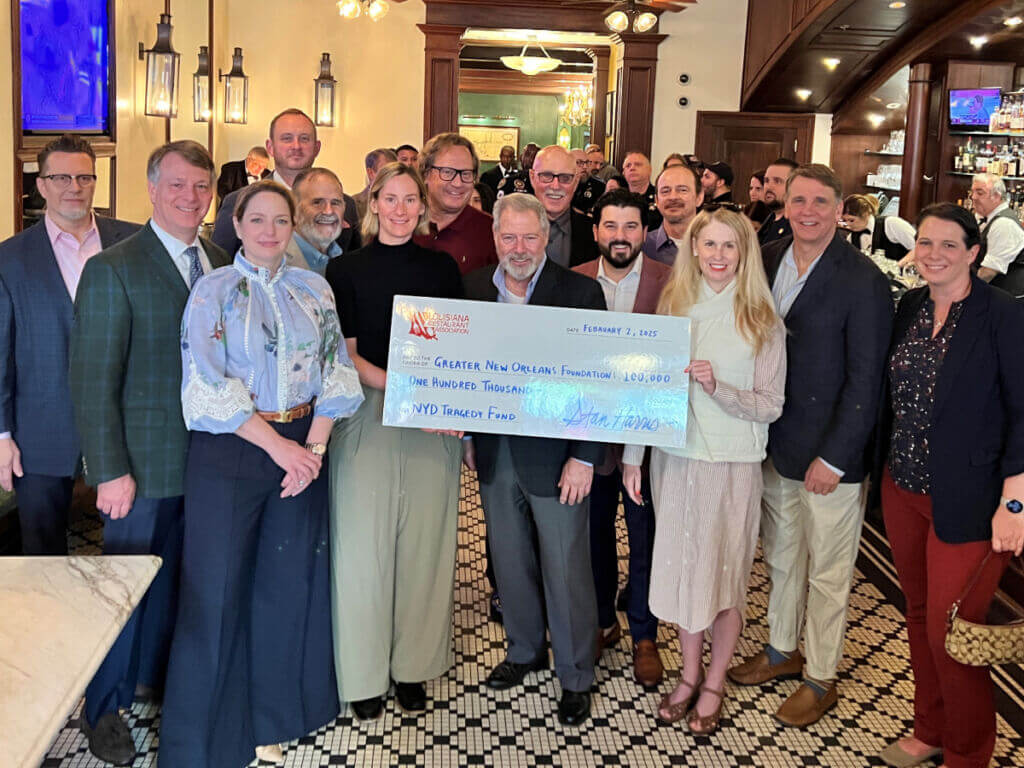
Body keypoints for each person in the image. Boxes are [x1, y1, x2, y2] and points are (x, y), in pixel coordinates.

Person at [160, 181, 363, 768]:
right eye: (258, 220)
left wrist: (314, 451)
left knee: (284, 588)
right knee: (215, 593)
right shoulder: (213, 290)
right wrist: (281, 450)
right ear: (238, 224)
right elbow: (205, 385)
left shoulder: (314, 288)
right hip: (234, 452)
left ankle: (271, 720)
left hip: (304, 450)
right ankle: (199, 743)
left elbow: (337, 372)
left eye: (281, 220)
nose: (270, 231)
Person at [69, 140, 230, 764]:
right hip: (139, 467)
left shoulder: (219, 261)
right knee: (123, 589)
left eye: (201, 187)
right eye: (178, 187)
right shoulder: (114, 267)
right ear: (152, 191)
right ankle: (103, 709)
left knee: (180, 585)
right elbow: (92, 380)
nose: (191, 198)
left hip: (209, 465)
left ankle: (154, 682)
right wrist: (108, 470)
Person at [728, 164, 893, 727]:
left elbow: (866, 380)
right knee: (780, 557)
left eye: (820, 202)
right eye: (798, 200)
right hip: (774, 444)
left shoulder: (862, 278)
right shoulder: (767, 257)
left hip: (829, 457)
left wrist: (838, 457)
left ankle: (821, 676)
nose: (807, 211)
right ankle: (780, 650)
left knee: (827, 573)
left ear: (840, 208)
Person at [624, 206, 786, 734]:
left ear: (745, 254)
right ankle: (689, 673)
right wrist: (633, 454)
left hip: (731, 465)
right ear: (693, 248)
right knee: (684, 573)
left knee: (724, 576)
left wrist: (721, 389)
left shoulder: (762, 318)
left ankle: (714, 680)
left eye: (729, 247)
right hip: (675, 459)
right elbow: (646, 389)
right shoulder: (674, 306)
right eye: (709, 245)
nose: (718, 256)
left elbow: (770, 404)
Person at [874, 203, 1024, 768]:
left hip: (972, 498)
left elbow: (1022, 410)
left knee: (953, 631)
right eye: (925, 243)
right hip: (902, 487)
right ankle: (930, 727)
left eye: (948, 246)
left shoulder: (1002, 314)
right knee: (917, 613)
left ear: (973, 253)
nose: (933, 255)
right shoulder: (910, 305)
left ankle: (968, 751)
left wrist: (1016, 501)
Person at [326, 162, 464, 720]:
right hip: (369, 410)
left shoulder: (442, 269)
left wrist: (442, 400)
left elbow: (459, 346)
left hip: (432, 416)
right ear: (374, 203)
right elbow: (349, 354)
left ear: (422, 205)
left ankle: (412, 668)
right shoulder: (346, 269)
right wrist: (407, 388)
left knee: (424, 546)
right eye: (391, 198)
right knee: (363, 548)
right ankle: (361, 674)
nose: (402, 209)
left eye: (411, 199)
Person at [463, 192, 606, 726]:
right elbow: (467, 371)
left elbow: (597, 379)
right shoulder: (475, 289)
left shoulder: (580, 292)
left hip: (560, 459)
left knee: (567, 567)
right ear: (494, 238)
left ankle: (574, 673)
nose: (518, 248)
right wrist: (468, 438)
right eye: (508, 237)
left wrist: (586, 457)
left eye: (529, 237)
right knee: (509, 561)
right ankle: (523, 651)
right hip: (496, 453)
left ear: (547, 238)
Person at [0, 134, 138, 555]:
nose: (73, 187)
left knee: (130, 552)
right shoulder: (9, 259)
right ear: (40, 185)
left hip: (126, 425)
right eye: (60, 177)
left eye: (83, 176)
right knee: (42, 555)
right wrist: (2, 433)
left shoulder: (134, 244)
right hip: (40, 428)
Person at [572, 190, 672, 689]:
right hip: (589, 437)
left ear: (644, 232)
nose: (619, 236)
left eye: (630, 226)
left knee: (644, 538)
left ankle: (644, 635)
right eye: (610, 226)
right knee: (593, 535)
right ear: (596, 232)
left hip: (646, 442)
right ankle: (601, 623)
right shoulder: (574, 281)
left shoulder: (670, 282)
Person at [213, 108, 360, 256]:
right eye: (287, 138)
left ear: (317, 148)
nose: (296, 146)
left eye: (304, 138)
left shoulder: (346, 205)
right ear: (270, 147)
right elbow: (221, 264)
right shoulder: (237, 202)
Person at [414, 132, 499, 275]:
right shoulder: (401, 223)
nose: (458, 183)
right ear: (426, 174)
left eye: (466, 174)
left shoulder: (491, 232)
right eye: (447, 172)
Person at [530, 145, 597, 268]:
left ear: (576, 181)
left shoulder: (593, 233)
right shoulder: (509, 229)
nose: (555, 186)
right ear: (532, 177)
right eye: (546, 176)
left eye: (565, 178)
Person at [969, 172, 1024, 298]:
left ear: (997, 196)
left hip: (1009, 301)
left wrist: (964, 294)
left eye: (980, 192)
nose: (973, 197)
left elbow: (988, 272)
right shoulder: (986, 219)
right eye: (973, 192)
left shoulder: (1004, 224)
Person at [285, 167, 346, 274]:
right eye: (317, 202)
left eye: (335, 203)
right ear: (293, 208)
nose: (328, 211)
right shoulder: (273, 262)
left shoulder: (349, 260)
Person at [643, 163, 704, 266]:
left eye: (682, 190)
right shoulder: (643, 247)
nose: (673, 197)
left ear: (699, 197)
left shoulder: (717, 247)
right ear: (656, 200)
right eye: (665, 191)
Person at [840, 194, 916, 260]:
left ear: (865, 214)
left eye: (851, 220)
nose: (847, 225)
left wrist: (898, 265)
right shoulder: (851, 238)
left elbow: (918, 248)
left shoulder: (891, 224)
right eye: (844, 220)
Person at [758, 157, 798, 246]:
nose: (769, 186)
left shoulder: (796, 228)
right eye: (766, 181)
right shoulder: (769, 220)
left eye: (777, 181)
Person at [354, 147, 399, 219]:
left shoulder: (402, 200)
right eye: (386, 171)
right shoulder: (354, 204)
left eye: (395, 170)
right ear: (371, 173)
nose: (392, 175)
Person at [622, 151, 662, 230]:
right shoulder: (617, 198)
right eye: (628, 166)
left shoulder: (660, 197)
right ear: (623, 173)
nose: (632, 168)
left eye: (638, 165)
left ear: (649, 170)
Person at [570, 148, 606, 215]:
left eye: (586, 162)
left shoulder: (599, 186)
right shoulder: (562, 185)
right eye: (579, 162)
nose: (585, 166)